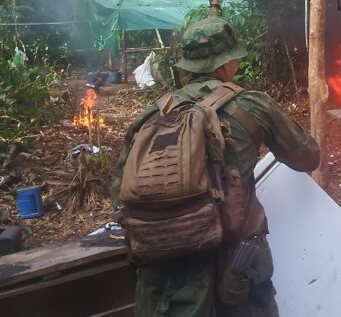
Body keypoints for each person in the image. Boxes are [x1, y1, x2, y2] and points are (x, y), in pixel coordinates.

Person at [111, 16, 320, 317]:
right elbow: (308, 157)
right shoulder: (251, 106)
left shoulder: (149, 117)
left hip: (165, 281)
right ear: (226, 65)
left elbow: (119, 193)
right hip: (235, 278)